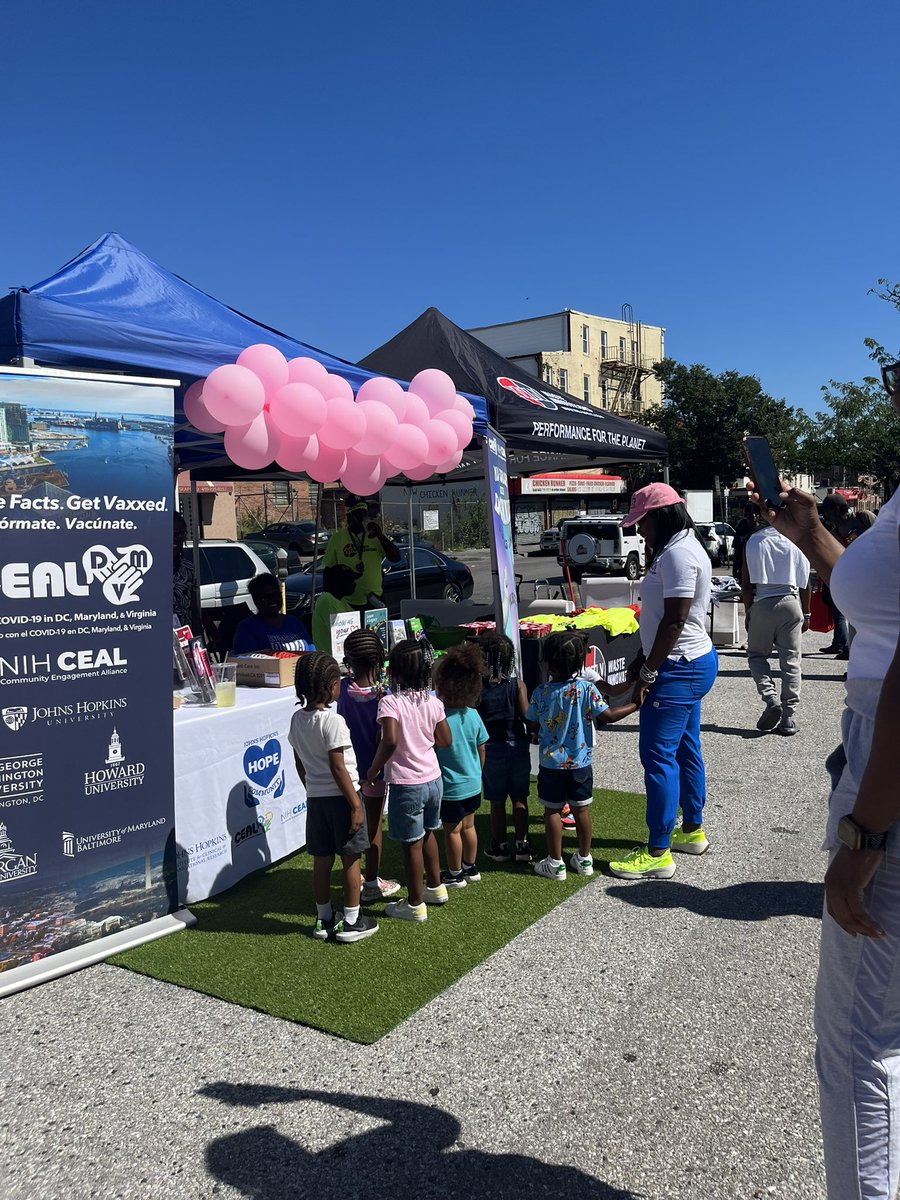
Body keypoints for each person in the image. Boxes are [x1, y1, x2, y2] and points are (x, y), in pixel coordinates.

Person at [755, 355, 900, 1200]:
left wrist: (866, 833)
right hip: (881, 742)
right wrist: (811, 535)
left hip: (890, 759)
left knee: (856, 1047)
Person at [609, 483, 718, 881]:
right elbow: (665, 621)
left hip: (678, 665)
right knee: (686, 748)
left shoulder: (679, 555)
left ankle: (658, 851)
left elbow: (675, 620)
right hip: (686, 662)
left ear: (661, 516)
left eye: (644, 523)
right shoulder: (678, 549)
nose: (641, 531)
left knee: (658, 756)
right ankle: (692, 829)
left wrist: (648, 672)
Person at [526, 631, 637, 881]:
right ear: (580, 663)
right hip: (581, 764)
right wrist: (635, 704)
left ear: (546, 664)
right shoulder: (588, 689)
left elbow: (531, 721)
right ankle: (585, 858)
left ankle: (555, 863)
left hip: (551, 764)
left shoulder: (540, 692)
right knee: (581, 811)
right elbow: (607, 716)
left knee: (552, 811)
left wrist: (535, 734)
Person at [288, 652, 378, 944]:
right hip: (343, 798)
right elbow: (338, 766)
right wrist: (355, 805)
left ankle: (323, 917)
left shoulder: (296, 720)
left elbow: (299, 762)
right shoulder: (334, 721)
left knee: (321, 861)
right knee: (351, 860)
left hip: (316, 799)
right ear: (330, 686)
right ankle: (352, 920)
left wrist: (310, 786)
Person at [366, 639, 452, 921]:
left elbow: (389, 740)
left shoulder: (390, 702)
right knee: (428, 833)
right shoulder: (433, 701)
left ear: (395, 673)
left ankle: (415, 903)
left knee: (410, 844)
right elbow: (445, 739)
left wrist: (373, 768)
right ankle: (436, 886)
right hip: (433, 779)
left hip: (407, 783)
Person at [336, 629, 400, 904]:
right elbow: (386, 739)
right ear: (378, 661)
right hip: (374, 774)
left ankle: (356, 876)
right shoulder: (384, 696)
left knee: (352, 825)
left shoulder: (340, 688)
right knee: (373, 827)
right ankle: (372, 881)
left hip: (348, 771)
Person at [740, 517, 811, 735]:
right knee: (791, 661)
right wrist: (806, 613)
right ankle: (788, 718)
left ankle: (770, 698)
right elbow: (806, 580)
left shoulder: (754, 540)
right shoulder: (796, 539)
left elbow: (746, 582)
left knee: (757, 656)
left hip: (763, 602)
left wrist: (749, 610)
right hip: (791, 602)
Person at [433, 643, 490, 888]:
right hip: (472, 783)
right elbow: (481, 748)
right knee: (469, 826)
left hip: (450, 788)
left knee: (452, 831)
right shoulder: (473, 715)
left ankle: (455, 873)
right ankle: (470, 866)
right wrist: (478, 772)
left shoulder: (439, 718)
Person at [476, 633, 533, 864]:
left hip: (490, 749)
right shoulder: (517, 685)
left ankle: (499, 845)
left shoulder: (478, 688)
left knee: (496, 801)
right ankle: (522, 844)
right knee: (520, 798)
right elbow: (527, 715)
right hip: (517, 746)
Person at [321, 497, 401, 609]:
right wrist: (329, 600)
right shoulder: (337, 539)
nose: (363, 520)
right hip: (347, 602)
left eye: (365, 516)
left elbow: (396, 557)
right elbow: (328, 571)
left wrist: (380, 535)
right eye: (359, 516)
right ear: (350, 517)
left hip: (375, 599)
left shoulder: (375, 536)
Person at [231, 573, 311, 654]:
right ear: (255, 600)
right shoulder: (247, 628)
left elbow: (311, 650)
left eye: (275, 594)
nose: (272, 599)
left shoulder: (294, 622)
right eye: (266, 596)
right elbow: (245, 660)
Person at [819, 493, 852, 660]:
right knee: (837, 610)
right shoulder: (834, 529)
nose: (825, 516)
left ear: (838, 510)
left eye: (828, 512)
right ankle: (839, 643)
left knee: (841, 613)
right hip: (837, 575)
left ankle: (845, 646)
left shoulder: (862, 519)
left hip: (854, 577)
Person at [311, 565, 357, 656]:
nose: (354, 583)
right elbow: (345, 634)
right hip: (330, 658)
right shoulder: (326, 600)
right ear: (339, 583)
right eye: (350, 580)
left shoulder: (341, 600)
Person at [173, 512, 202, 633]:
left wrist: (198, 637)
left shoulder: (188, 568)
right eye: (170, 533)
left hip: (184, 636)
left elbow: (194, 608)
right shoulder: (148, 568)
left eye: (180, 534)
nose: (175, 539)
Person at [731, 501, 760, 581]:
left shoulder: (761, 529)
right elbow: (737, 551)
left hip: (757, 564)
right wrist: (735, 569)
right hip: (743, 563)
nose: (754, 518)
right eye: (750, 515)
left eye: (756, 515)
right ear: (746, 516)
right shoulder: (741, 528)